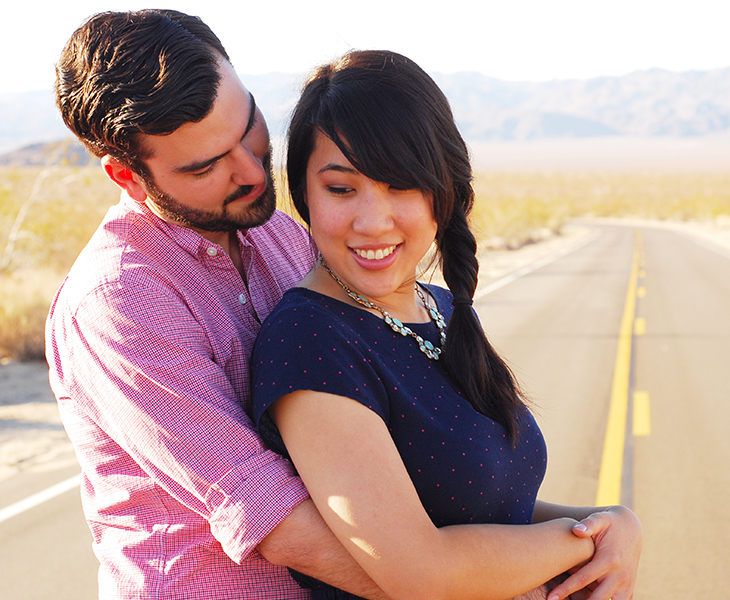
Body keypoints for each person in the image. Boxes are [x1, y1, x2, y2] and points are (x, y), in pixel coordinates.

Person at [251, 50, 643, 600]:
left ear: (443, 188)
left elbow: (491, 508)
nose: (371, 221)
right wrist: (583, 544)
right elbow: (422, 573)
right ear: (304, 195)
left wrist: (611, 523)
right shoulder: (310, 341)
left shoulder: (440, 306)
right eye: (341, 189)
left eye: (400, 185)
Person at [46, 10, 395, 600]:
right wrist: (481, 586)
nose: (251, 169)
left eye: (248, 124)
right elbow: (278, 524)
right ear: (127, 176)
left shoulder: (282, 234)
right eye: (205, 165)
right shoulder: (121, 303)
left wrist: (580, 535)